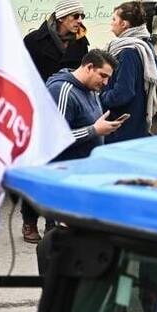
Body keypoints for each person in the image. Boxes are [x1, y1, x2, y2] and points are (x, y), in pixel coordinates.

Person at [22, 49, 125, 242]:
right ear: (88, 67)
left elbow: (90, 123)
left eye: (108, 78)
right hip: (61, 171)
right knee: (59, 236)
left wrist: (102, 128)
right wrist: (95, 130)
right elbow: (53, 138)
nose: (105, 83)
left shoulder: (92, 89)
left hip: (81, 169)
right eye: (102, 76)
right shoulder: (63, 91)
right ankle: (35, 225)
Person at [101, 0, 157, 142]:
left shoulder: (127, 51)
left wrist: (100, 97)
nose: (111, 23)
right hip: (138, 124)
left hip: (120, 128)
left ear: (124, 24)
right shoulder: (145, 45)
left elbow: (122, 93)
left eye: (114, 19)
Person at [22, 0, 90, 82]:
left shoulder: (81, 42)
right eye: (76, 16)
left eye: (82, 16)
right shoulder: (32, 40)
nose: (80, 21)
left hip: (68, 94)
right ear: (61, 18)